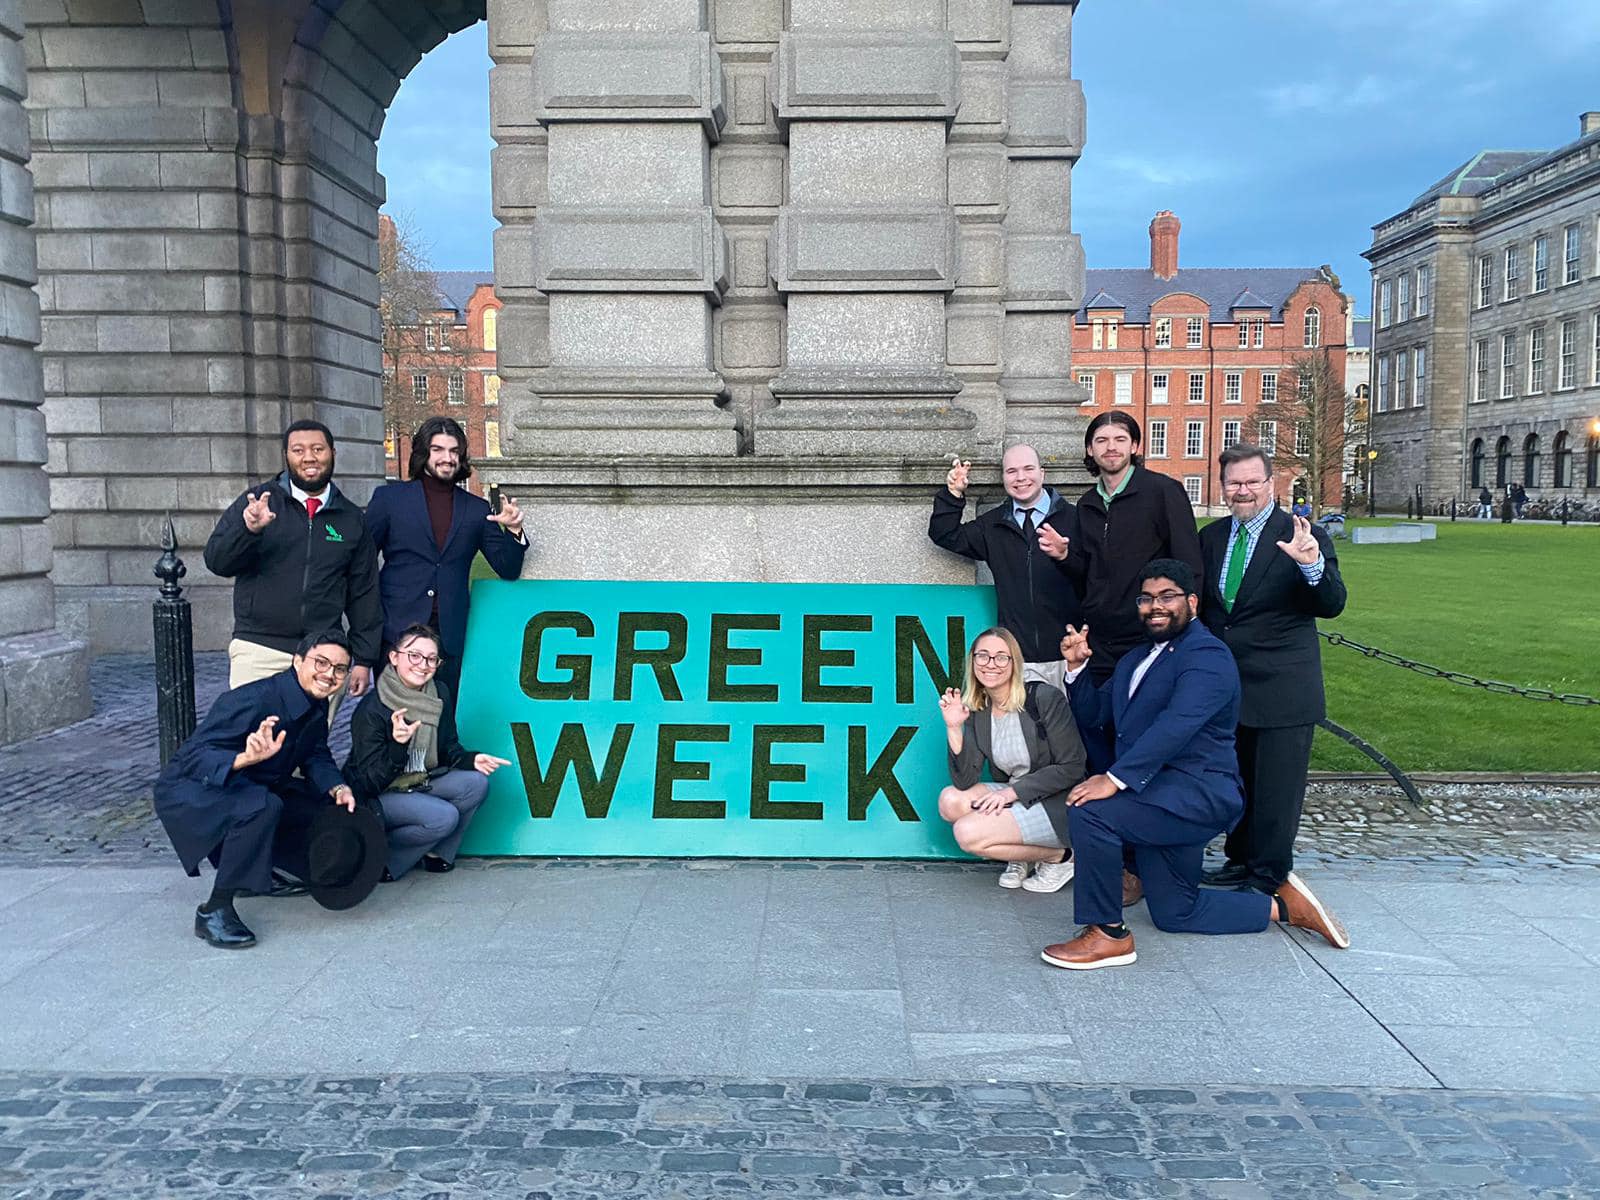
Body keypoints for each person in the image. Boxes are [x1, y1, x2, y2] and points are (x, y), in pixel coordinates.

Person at [1039, 560, 1349, 969]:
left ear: (1192, 603)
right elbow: (1098, 714)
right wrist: (1077, 669)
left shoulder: (1208, 657)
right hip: (1156, 795)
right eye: (1147, 598)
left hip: (1197, 795)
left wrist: (1114, 779)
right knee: (1175, 911)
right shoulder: (1136, 659)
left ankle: (1107, 934)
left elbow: (1177, 725)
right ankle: (1284, 909)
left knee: (1092, 813)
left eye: (1167, 597)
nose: (1155, 606)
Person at [1198, 445, 1347, 896]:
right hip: (1228, 687)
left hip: (1283, 687)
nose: (1243, 491)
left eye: (1251, 482)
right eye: (1234, 483)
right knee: (1237, 779)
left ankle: (1268, 876)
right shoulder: (1212, 537)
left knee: (1277, 791)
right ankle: (1240, 860)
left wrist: (1312, 566)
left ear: (1271, 484)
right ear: (1222, 487)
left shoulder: (1304, 534)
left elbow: (1333, 604)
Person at [153, 630, 362, 949]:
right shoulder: (255, 698)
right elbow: (194, 755)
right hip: (192, 788)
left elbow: (316, 752)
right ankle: (214, 911)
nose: (329, 674)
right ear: (297, 661)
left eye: (339, 669)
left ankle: (256, 875)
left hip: (250, 783)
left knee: (316, 807)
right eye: (321, 662)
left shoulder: (315, 704)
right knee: (263, 807)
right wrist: (242, 758)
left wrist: (336, 786)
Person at [203, 420, 382, 700]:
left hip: (322, 655)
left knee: (311, 743)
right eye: (298, 450)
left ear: (333, 453)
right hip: (259, 650)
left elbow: (364, 593)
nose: (309, 457)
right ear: (286, 455)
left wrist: (363, 659)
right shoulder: (259, 503)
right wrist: (248, 530)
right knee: (256, 740)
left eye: (317, 449)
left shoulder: (351, 519)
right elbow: (217, 561)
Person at [364, 416, 528, 698]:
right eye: (438, 449)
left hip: (449, 636)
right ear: (423, 453)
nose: (447, 458)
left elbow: (508, 569)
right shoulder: (389, 499)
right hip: (397, 629)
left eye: (453, 451)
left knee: (443, 715)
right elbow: (362, 565)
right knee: (394, 717)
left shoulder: (476, 510)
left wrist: (514, 531)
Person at [1039, 413, 1203, 685]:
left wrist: (1189, 628)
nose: (1111, 447)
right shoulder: (1087, 504)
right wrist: (1064, 556)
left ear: (1135, 446)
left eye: (1120, 439)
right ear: (1090, 450)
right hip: (1101, 639)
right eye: (1101, 440)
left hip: (1150, 633)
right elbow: (1089, 573)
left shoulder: (1163, 492)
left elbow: (1189, 565)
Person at [344, 623, 510, 880]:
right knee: (444, 817)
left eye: (432, 659)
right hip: (380, 794)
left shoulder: (438, 693)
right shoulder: (372, 709)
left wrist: (472, 758)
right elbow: (369, 781)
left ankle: (436, 853)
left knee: (476, 783)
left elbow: (449, 748)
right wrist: (398, 745)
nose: (423, 665)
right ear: (394, 657)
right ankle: (384, 859)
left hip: (422, 778)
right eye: (415, 656)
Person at [936, 627, 1086, 892]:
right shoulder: (979, 710)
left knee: (967, 834)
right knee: (950, 801)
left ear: (1014, 662)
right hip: (1017, 794)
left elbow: (1072, 767)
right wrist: (954, 727)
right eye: (983, 656)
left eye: (1001, 657)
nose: (990, 664)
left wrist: (1010, 794)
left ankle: (1061, 858)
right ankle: (1022, 857)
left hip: (1057, 801)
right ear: (973, 662)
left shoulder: (1044, 698)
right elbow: (965, 780)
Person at [927, 445, 1082, 691]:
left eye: (1028, 469)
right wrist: (953, 494)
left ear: (1042, 473)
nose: (1021, 478)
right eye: (1011, 471)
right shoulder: (993, 525)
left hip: (1070, 656)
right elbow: (945, 534)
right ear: (1003, 478)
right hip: (1017, 659)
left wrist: (1065, 555)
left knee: (1070, 729)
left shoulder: (1076, 520)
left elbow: (1096, 576)